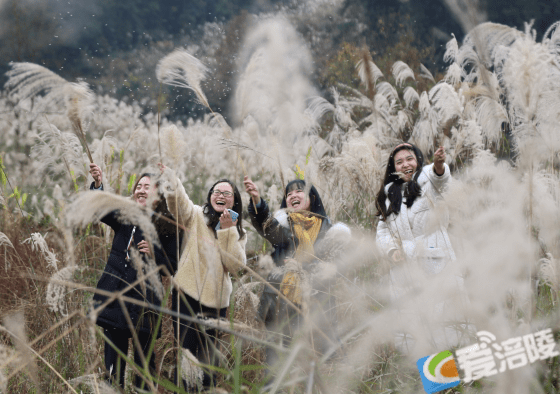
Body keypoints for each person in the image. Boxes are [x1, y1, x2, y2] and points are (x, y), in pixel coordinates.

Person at [89, 163, 182, 389]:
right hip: (115, 293)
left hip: (146, 301)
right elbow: (101, 209)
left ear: (158, 193)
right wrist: (99, 184)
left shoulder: (168, 224)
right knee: (113, 364)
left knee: (144, 365)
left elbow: (173, 266)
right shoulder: (124, 214)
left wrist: (155, 252)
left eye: (146, 186)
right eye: (138, 186)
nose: (140, 190)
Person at [244, 176, 351, 369]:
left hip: (318, 299)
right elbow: (266, 226)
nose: (293, 195)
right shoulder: (284, 227)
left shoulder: (328, 229)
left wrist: (302, 268)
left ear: (312, 197)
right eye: (289, 193)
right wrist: (257, 202)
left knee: (325, 353)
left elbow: (334, 265)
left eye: (299, 191)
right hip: (283, 298)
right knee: (282, 356)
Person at [160, 167, 247, 390]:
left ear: (234, 202)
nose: (221, 196)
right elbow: (180, 207)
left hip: (216, 304)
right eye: (217, 191)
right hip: (186, 295)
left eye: (227, 194)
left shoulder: (238, 233)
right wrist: (173, 184)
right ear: (210, 196)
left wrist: (228, 232)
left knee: (210, 363)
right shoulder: (197, 215)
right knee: (188, 357)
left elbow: (236, 267)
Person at [374, 143, 458, 350]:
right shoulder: (389, 195)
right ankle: (426, 381)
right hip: (405, 272)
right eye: (399, 162)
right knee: (414, 329)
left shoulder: (429, 183)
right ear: (393, 167)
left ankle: (453, 380)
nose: (405, 165)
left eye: (409, 159)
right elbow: (383, 231)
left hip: (436, 265)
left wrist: (439, 165)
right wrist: (392, 251)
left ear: (419, 161)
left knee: (443, 326)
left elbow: (441, 178)